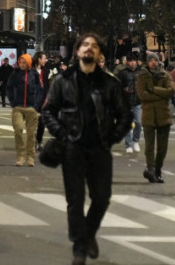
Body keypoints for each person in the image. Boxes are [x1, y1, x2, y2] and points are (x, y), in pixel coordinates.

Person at [42, 33, 131, 265]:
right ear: (77, 51)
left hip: (100, 148)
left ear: (100, 53)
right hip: (73, 149)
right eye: (85, 45)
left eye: (94, 46)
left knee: (102, 198)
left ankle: (89, 233)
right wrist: (62, 134)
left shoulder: (110, 83)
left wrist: (111, 139)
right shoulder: (63, 80)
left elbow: (125, 115)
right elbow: (48, 111)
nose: (89, 49)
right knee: (75, 200)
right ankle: (79, 247)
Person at [136, 52, 175, 183]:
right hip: (148, 116)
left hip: (164, 116)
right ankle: (151, 169)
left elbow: (171, 91)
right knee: (149, 146)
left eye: (156, 60)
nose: (154, 62)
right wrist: (160, 95)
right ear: (148, 62)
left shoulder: (166, 75)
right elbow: (143, 95)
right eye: (151, 60)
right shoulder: (142, 76)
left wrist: (154, 90)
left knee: (162, 148)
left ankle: (158, 170)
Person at [6, 53, 43, 167]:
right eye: (20, 62)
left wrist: (36, 105)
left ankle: (30, 158)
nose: (22, 64)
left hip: (32, 107)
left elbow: (40, 90)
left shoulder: (34, 75)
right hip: (18, 107)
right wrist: (13, 102)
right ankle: (20, 157)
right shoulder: (15, 74)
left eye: (24, 62)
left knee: (31, 134)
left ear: (29, 63)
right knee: (18, 130)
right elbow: (9, 88)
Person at [115, 53, 143, 154]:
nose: (132, 63)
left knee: (138, 122)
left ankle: (135, 140)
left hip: (137, 101)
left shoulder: (140, 72)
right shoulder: (122, 73)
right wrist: (124, 90)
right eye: (130, 61)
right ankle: (128, 144)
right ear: (127, 62)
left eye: (134, 61)